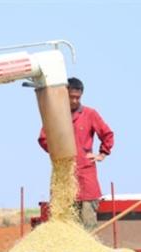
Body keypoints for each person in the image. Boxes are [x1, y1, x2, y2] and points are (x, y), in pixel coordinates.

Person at [38, 77, 114, 229]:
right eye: (71, 97)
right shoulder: (55, 115)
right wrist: (57, 153)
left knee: (88, 222)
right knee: (65, 224)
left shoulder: (90, 114)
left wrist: (102, 154)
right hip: (63, 175)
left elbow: (108, 134)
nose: (74, 101)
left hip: (86, 175)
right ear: (65, 95)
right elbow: (43, 138)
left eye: (77, 98)